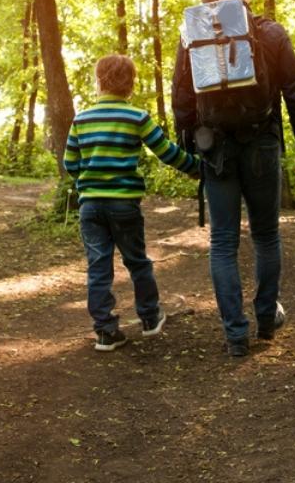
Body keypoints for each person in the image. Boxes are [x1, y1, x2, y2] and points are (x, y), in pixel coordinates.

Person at [172, 0, 295, 357]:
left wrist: (190, 151)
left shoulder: (192, 35)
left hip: (215, 150)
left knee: (222, 243)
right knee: (266, 235)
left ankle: (235, 335)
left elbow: (181, 100)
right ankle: (266, 322)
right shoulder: (270, 33)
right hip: (262, 145)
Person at [64, 54, 199, 351]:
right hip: (124, 205)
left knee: (98, 267)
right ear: (130, 84)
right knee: (137, 261)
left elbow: (69, 162)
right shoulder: (137, 117)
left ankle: (105, 332)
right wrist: (196, 167)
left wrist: (87, 182)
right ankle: (150, 318)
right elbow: (166, 151)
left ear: (99, 82)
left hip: (90, 207)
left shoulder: (81, 119)